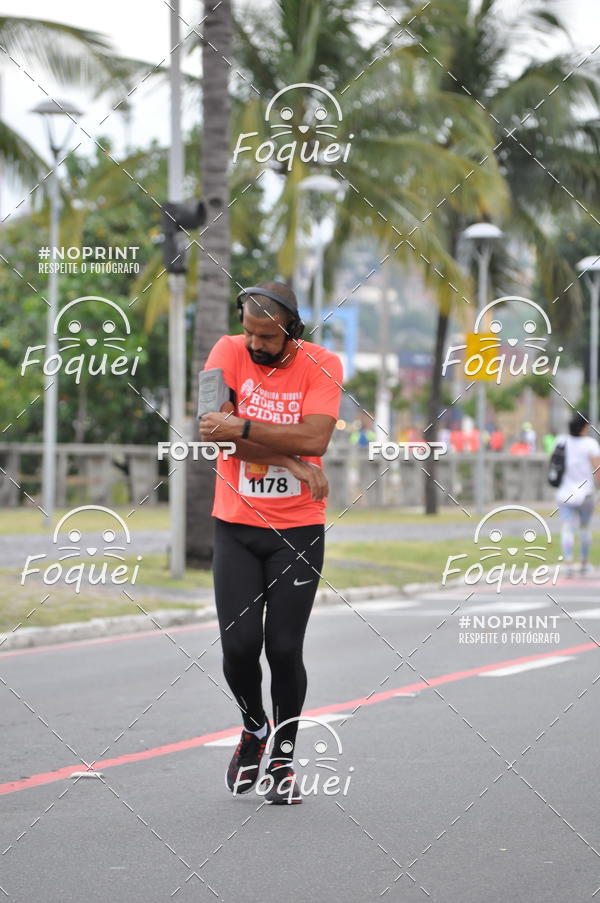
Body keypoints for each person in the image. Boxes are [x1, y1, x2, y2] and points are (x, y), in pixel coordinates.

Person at [198, 281, 343, 804]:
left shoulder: (321, 363)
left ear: (292, 331)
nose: (256, 345)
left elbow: (316, 437)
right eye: (250, 333)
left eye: (268, 336)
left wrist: (243, 424)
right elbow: (210, 430)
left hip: (298, 530)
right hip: (235, 524)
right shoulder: (226, 351)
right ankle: (254, 726)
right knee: (239, 649)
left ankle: (281, 760)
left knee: (284, 649)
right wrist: (286, 460)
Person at [553, 411, 600, 576]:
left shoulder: (561, 441)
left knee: (567, 527)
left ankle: (569, 562)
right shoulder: (590, 444)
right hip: (586, 493)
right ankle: (584, 562)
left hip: (565, 493)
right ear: (585, 427)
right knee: (585, 527)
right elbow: (597, 470)